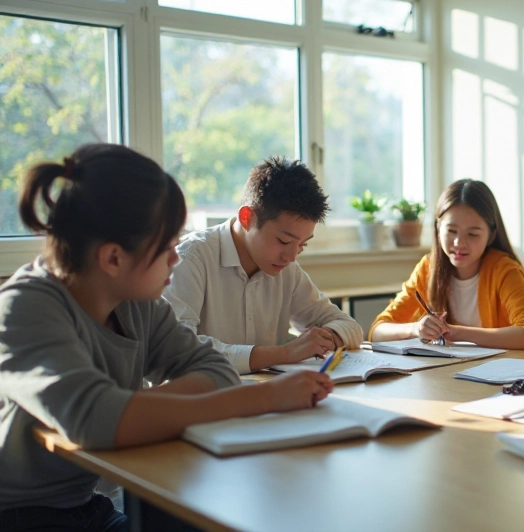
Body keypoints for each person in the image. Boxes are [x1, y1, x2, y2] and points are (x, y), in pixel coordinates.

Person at [0, 144, 332, 531]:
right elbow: (94, 422)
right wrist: (262, 397)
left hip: (90, 506)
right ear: (113, 258)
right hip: (20, 515)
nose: (177, 259)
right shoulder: (24, 309)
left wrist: (124, 409)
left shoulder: (136, 303)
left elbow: (215, 370)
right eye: (168, 247)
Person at [164, 157, 362, 374]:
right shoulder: (191, 258)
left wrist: (325, 339)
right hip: (201, 400)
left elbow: (348, 325)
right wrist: (284, 353)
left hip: (270, 397)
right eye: (284, 241)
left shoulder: (287, 270)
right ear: (247, 217)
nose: (292, 257)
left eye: (302, 244)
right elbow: (177, 351)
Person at [370, 179, 524, 349]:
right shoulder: (428, 268)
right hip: (445, 374)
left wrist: (458, 333)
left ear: (490, 236)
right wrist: (415, 328)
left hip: (498, 373)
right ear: (438, 229)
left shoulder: (504, 269)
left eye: (473, 234)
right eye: (452, 231)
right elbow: (377, 331)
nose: (459, 243)